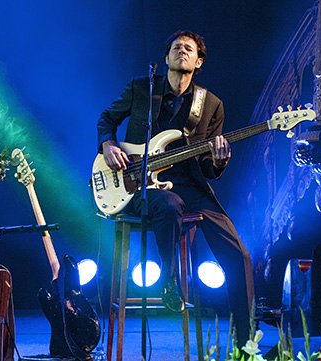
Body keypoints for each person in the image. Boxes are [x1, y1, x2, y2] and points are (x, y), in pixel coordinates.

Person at [97, 30, 254, 348]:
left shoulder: (210, 105)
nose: (182, 51)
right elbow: (107, 118)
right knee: (168, 204)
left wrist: (220, 160)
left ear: (198, 62)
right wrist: (108, 145)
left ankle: (245, 343)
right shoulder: (142, 88)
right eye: (176, 47)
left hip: (190, 187)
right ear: (166, 57)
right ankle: (171, 282)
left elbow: (209, 170)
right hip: (140, 185)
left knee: (238, 255)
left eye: (189, 49)